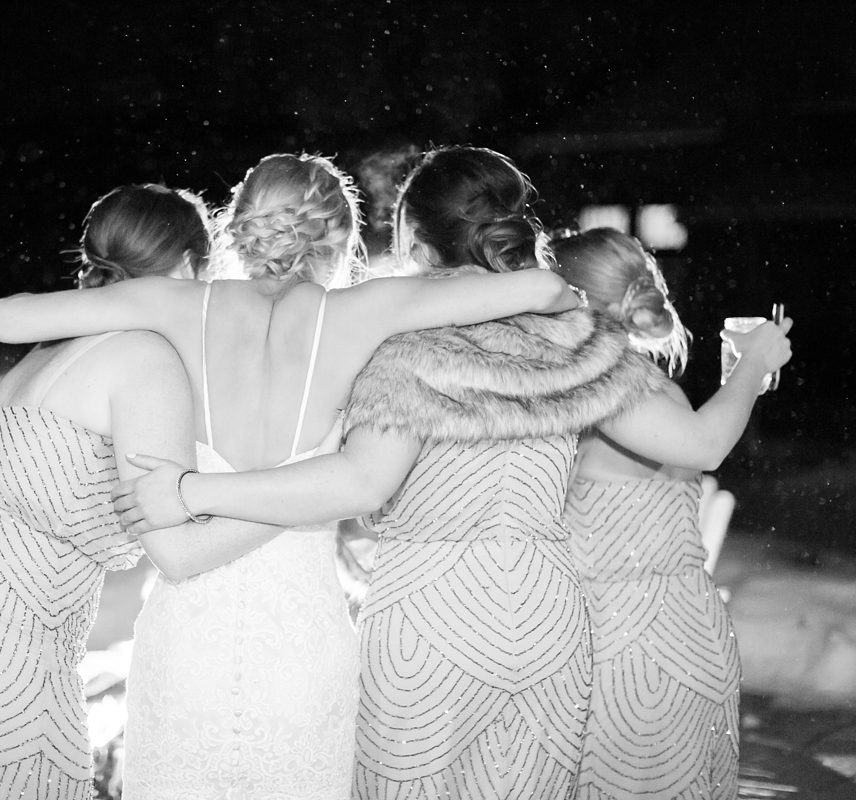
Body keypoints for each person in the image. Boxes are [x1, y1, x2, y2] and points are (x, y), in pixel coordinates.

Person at [108, 146, 791, 800]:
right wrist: (755, 367)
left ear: (417, 239)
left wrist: (192, 489)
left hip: (431, 618)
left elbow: (362, 482)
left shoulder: (400, 339)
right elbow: (699, 445)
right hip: (545, 613)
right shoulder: (577, 334)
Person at [0, 152, 583, 798]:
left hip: (188, 648)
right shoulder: (364, 313)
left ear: (238, 229)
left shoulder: (177, 305)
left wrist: (117, 297)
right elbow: (546, 291)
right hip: (303, 649)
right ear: (340, 241)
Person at [0, 184, 283, 799]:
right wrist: (305, 497)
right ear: (195, 268)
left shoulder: (47, 349)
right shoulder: (146, 360)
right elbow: (177, 552)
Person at [551, 227, 792, 800]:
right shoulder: (612, 378)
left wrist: (749, 374)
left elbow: (700, 444)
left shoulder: (603, 376)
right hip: (647, 631)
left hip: (632, 635)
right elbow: (704, 446)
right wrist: (749, 368)